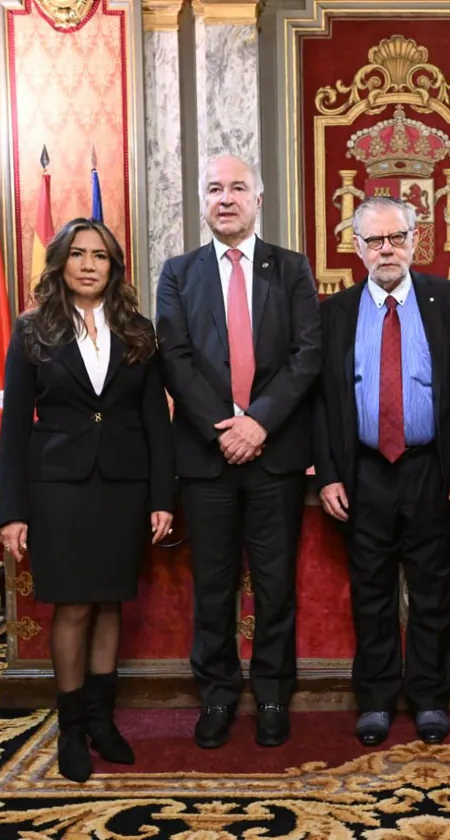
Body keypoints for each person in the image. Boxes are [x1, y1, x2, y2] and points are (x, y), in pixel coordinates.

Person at [0, 218, 175, 782]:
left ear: (114, 266)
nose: (90, 264)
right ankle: (71, 728)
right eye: (79, 254)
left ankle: (103, 721)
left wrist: (162, 497)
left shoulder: (139, 330)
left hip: (124, 486)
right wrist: (13, 511)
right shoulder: (32, 331)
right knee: (73, 605)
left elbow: (156, 421)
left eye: (101, 255)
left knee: (109, 602)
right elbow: (13, 431)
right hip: (58, 489)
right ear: (61, 263)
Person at [156, 154, 321, 749]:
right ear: (202, 201)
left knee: (276, 587)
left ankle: (274, 693)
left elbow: (308, 356)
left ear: (259, 198)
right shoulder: (178, 272)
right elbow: (173, 357)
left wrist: (259, 424)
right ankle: (219, 695)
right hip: (205, 459)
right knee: (214, 586)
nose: (225, 198)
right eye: (214, 189)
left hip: (274, 456)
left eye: (237, 188)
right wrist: (224, 427)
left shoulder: (293, 269)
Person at [313, 196, 450, 746]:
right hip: (363, 471)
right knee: (371, 591)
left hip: (430, 468)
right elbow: (323, 400)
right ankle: (377, 699)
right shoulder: (334, 312)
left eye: (396, 238)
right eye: (374, 241)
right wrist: (330, 474)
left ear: (416, 239)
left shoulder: (449, 302)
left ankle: (431, 697)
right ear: (356, 247)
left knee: (434, 590)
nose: (386, 249)